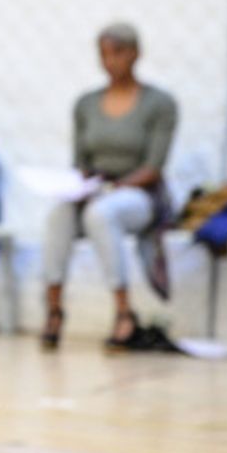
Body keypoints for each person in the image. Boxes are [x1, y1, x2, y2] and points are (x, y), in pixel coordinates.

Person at [40, 22, 179, 350]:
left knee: (101, 214)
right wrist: (79, 186)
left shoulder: (159, 104)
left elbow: (153, 168)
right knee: (58, 215)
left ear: (135, 54)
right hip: (95, 191)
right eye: (104, 54)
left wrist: (111, 189)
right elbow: (80, 162)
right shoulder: (86, 104)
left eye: (118, 52)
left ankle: (123, 313)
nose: (110, 61)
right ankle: (54, 310)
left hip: (140, 196)